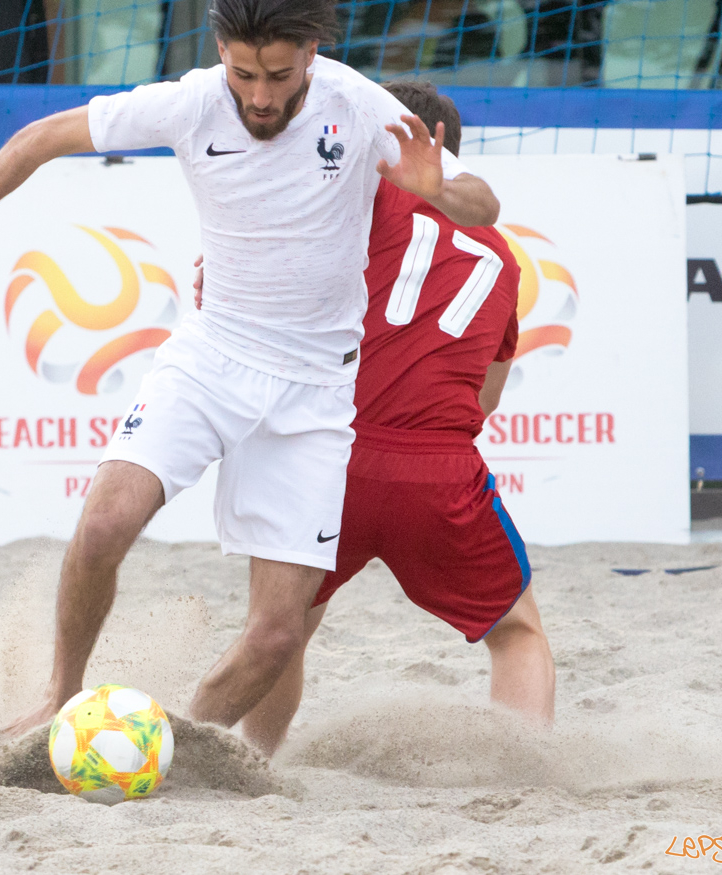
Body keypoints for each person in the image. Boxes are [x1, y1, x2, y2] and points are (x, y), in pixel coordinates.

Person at [0, 0, 501, 743]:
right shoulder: (191, 103)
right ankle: (60, 699)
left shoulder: (361, 107)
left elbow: (485, 206)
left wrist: (438, 186)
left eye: (278, 74)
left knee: (277, 633)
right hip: (212, 356)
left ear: (311, 52)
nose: (261, 96)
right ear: (220, 51)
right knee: (105, 523)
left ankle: (172, 745)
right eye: (244, 73)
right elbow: (38, 139)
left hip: (314, 390)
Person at [227, 80, 555, 756]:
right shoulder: (502, 259)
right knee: (517, 632)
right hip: (439, 470)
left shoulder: (359, 201)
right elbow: (485, 401)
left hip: (332, 457)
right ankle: (526, 775)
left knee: (282, 630)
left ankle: (253, 762)